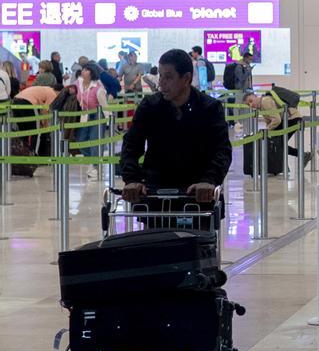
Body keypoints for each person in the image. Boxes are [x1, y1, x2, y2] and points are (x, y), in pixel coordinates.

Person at [120, 49, 232, 246]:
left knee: (197, 253)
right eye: (160, 76)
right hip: (156, 195)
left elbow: (221, 150)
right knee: (156, 254)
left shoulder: (209, 108)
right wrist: (132, 179)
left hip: (197, 196)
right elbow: (131, 145)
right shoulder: (150, 107)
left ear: (186, 78)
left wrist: (209, 180)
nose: (161, 83)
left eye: (169, 77)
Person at [243, 90, 307, 164]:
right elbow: (270, 122)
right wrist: (267, 132)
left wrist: (266, 131)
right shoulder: (261, 106)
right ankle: (300, 156)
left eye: (251, 101)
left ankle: (302, 155)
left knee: (278, 145)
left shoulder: (265, 101)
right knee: (277, 144)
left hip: (293, 119)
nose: (251, 105)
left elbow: (277, 120)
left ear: (256, 96)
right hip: (288, 120)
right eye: (248, 104)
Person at [75, 62, 110, 180]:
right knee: (81, 140)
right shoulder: (78, 83)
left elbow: (105, 106)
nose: (83, 71)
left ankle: (94, 167)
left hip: (97, 114)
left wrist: (108, 121)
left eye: (86, 70)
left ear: (92, 73)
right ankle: (93, 161)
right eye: (83, 69)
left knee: (95, 141)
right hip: (84, 114)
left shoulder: (98, 88)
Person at [12, 84, 56, 155]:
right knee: (37, 132)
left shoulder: (43, 89)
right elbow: (46, 111)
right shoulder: (53, 94)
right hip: (28, 102)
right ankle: (35, 155)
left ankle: (24, 153)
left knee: (23, 132)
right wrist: (45, 127)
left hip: (15, 101)